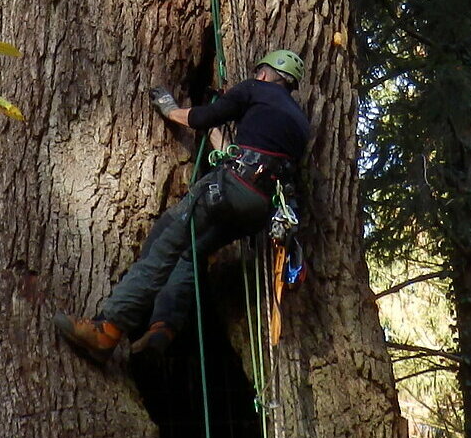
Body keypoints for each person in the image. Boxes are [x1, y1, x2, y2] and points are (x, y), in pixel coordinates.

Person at [62, 49, 310, 362]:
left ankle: (108, 329)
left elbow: (200, 118)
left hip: (228, 189)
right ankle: (163, 327)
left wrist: (170, 109)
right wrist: (217, 129)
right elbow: (246, 157)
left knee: (164, 241)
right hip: (260, 209)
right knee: (191, 252)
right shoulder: (300, 124)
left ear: (263, 73)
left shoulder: (253, 89)